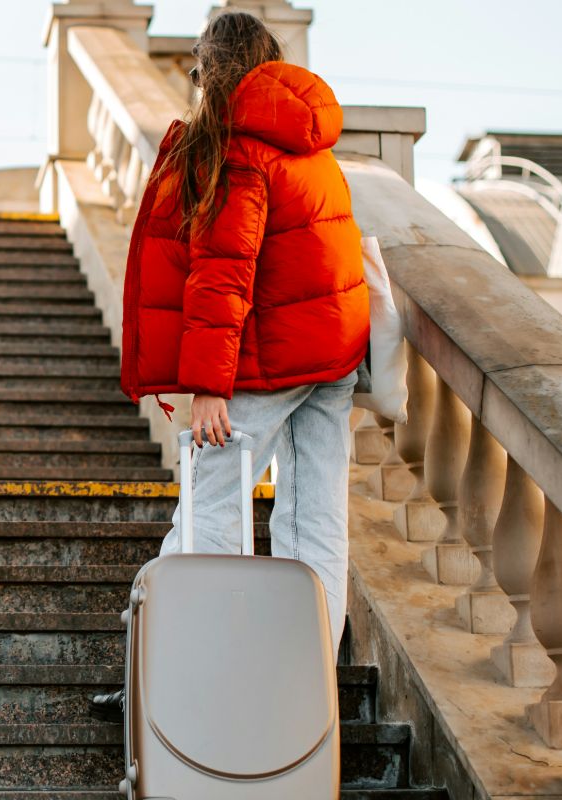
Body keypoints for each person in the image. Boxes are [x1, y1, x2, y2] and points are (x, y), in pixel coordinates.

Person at [92, 11, 367, 721]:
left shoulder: (240, 147)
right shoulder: (311, 140)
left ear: (209, 72)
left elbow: (224, 273)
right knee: (316, 523)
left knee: (210, 513)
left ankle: (178, 673)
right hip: (332, 359)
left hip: (266, 362)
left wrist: (208, 386)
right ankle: (308, 682)